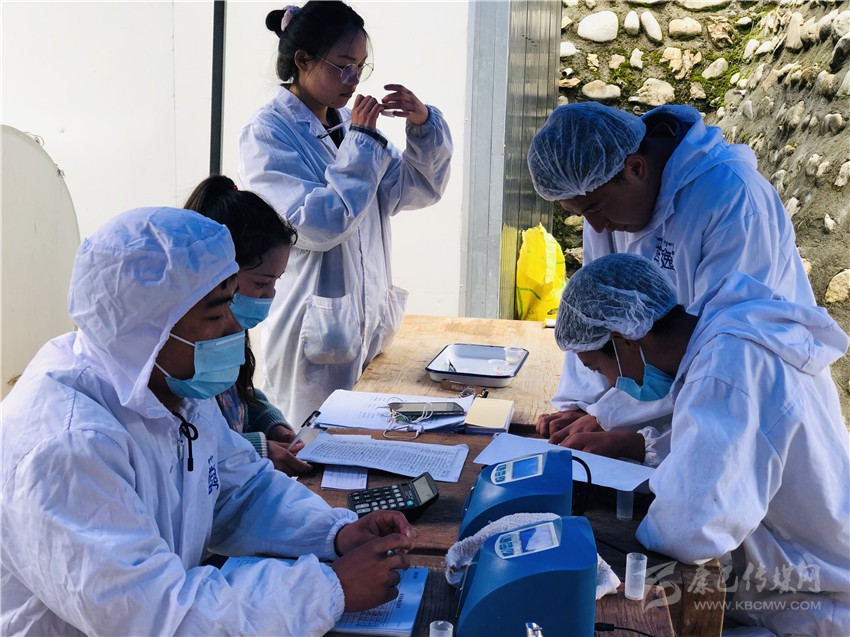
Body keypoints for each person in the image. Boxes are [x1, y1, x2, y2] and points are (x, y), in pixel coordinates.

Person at [0, 207, 415, 636]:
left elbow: (240, 490)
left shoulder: (171, 389)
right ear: (149, 328)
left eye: (232, 305)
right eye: (216, 315)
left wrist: (334, 535)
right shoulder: (67, 445)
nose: (233, 328)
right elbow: (160, 615)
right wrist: (328, 588)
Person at [554, 253, 850, 636]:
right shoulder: (728, 332)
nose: (610, 384)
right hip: (798, 579)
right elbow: (730, 447)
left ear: (624, 341)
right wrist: (639, 446)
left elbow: (689, 529)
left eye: (597, 368)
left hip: (815, 605)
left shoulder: (725, 372)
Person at [527, 102, 819, 465]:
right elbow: (595, 313)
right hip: (669, 413)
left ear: (635, 167)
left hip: (754, 416)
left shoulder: (734, 201)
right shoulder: (603, 201)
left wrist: (610, 418)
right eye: (582, 214)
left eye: (595, 209)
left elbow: (721, 355)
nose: (597, 227)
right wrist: (581, 404)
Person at [238, 1, 453, 426]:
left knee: (364, 445)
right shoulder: (267, 133)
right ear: (303, 60)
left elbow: (416, 189)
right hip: (313, 331)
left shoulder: (346, 127)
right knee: (311, 445)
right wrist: (361, 145)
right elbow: (317, 226)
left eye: (361, 67)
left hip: (364, 325)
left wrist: (424, 125)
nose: (353, 80)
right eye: (343, 66)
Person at [183, 174, 311, 476]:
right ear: (220, 274)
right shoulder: (184, 349)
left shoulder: (231, 330)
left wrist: (271, 423)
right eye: (261, 283)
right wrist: (257, 449)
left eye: (276, 282)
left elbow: (239, 395)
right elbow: (189, 438)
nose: (269, 296)